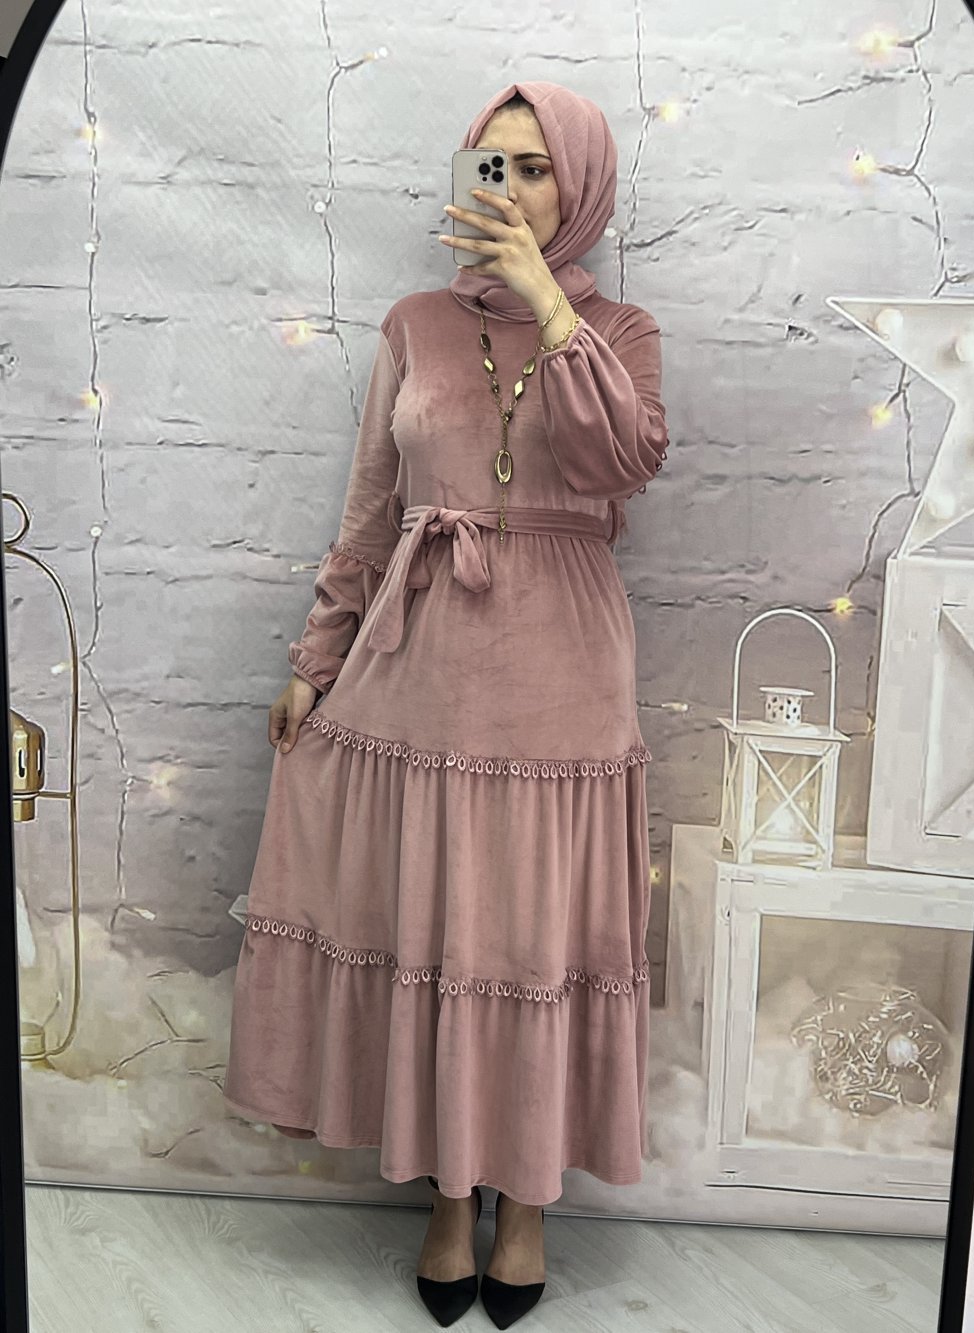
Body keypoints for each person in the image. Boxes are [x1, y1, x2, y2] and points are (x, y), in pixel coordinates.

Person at [222, 79, 668, 1329]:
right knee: (437, 930)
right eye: (491, 164)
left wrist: (544, 300)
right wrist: (314, 659)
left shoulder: (623, 331)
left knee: (530, 941)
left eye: (536, 167)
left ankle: (525, 1204)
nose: (511, 188)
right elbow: (372, 507)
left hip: (561, 673)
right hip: (419, 663)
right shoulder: (414, 323)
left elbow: (623, 461)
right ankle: (446, 1191)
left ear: (581, 186)